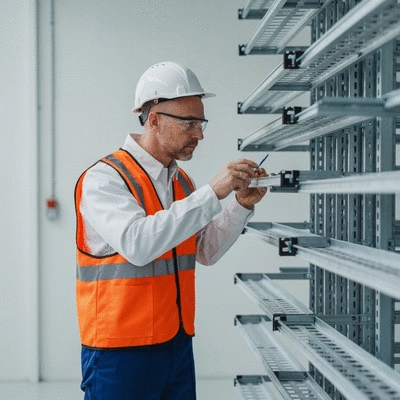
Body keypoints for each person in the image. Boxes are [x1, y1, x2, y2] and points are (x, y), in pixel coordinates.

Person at [75, 61, 268, 400]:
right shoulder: (105, 179)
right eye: (189, 123)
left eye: (201, 122)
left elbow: (204, 250)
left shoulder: (181, 182)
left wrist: (240, 205)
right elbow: (138, 244)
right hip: (120, 350)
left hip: (175, 342)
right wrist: (213, 193)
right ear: (154, 120)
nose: (200, 134)